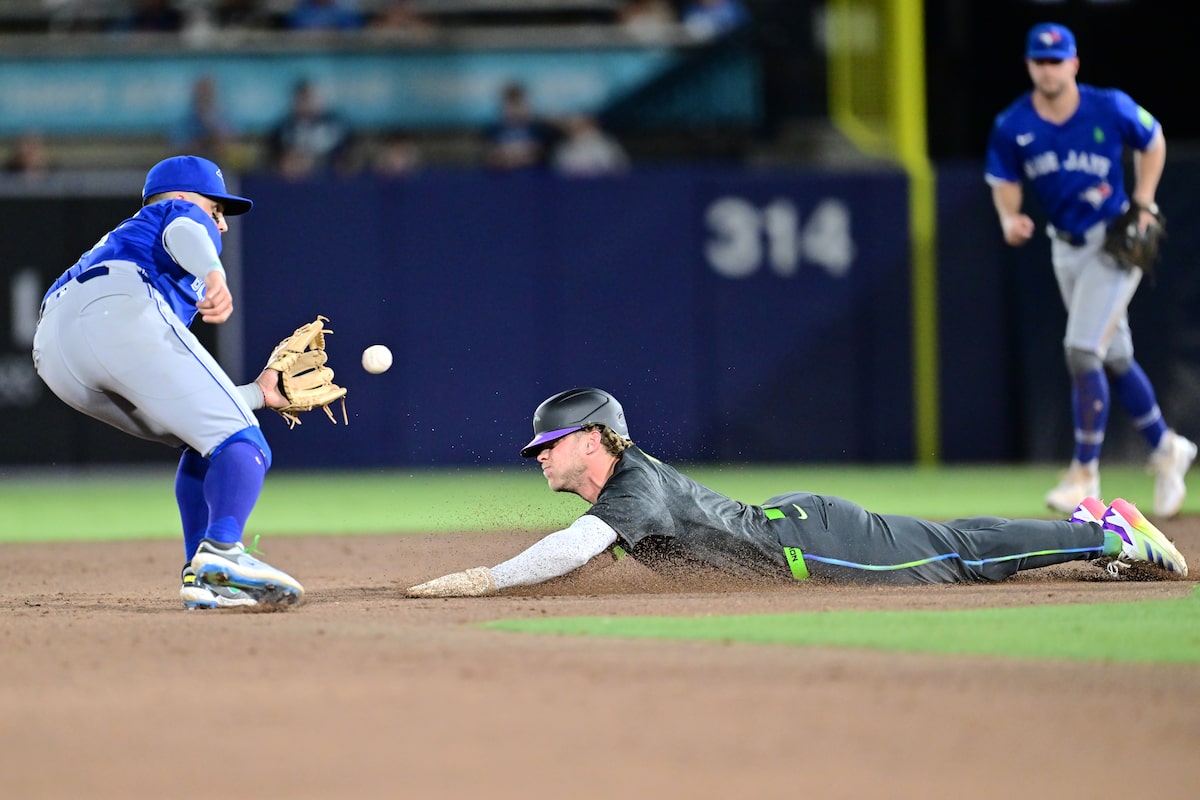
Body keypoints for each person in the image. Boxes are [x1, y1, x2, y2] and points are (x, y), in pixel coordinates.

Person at [406, 387, 1188, 597]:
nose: (539, 456)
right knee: (953, 543)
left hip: (814, 547)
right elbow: (589, 549)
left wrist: (486, 581)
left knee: (958, 557)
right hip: (804, 534)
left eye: (549, 444)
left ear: (594, 439)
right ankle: (1090, 524)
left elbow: (573, 549)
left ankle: (1108, 534)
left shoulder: (631, 486)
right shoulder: (624, 488)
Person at [32, 155, 305, 611]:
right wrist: (214, 273)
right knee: (245, 443)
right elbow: (184, 229)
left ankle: (205, 577)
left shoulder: (125, 243)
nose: (221, 223)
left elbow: (189, 406)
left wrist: (258, 394)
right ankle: (223, 551)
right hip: (115, 305)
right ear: (182, 196)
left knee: (204, 440)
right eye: (215, 208)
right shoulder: (176, 214)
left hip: (55, 352)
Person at [984, 22, 1196, 519]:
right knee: (1113, 357)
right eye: (1040, 60)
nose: (1048, 69)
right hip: (1065, 248)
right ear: (1029, 65)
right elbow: (1003, 178)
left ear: (1074, 63)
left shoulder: (1108, 106)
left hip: (1113, 243)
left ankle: (1084, 472)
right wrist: (1009, 217)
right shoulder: (1013, 124)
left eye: (1056, 60)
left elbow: (1153, 139)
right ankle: (1167, 447)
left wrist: (1144, 200)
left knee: (1082, 351)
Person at [266, 79, 357, 178]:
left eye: (310, 98)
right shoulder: (285, 128)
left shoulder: (337, 124)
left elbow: (350, 156)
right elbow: (275, 160)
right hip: (298, 180)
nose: (307, 104)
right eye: (302, 99)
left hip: (332, 178)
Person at [481, 81, 561, 172]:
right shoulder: (493, 131)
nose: (514, 110)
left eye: (518, 104)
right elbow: (490, 155)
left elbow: (544, 153)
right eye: (510, 105)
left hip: (535, 176)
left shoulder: (540, 130)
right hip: (503, 176)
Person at [550, 114, 631, 178]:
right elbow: (558, 179)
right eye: (571, 122)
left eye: (581, 122)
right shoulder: (562, 149)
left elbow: (622, 172)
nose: (575, 125)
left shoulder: (607, 145)